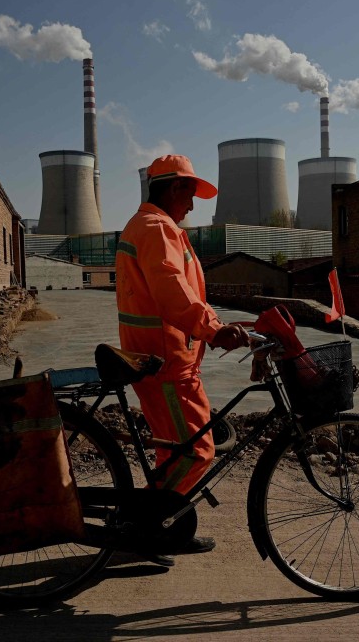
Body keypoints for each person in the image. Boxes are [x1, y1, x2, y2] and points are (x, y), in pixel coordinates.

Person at [115, 154, 250, 565]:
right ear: (174, 188)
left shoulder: (148, 225)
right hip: (167, 364)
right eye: (190, 195)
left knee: (173, 451)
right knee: (197, 453)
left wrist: (212, 326)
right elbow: (172, 289)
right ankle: (143, 528)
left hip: (165, 359)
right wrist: (212, 327)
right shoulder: (157, 229)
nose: (192, 206)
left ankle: (165, 525)